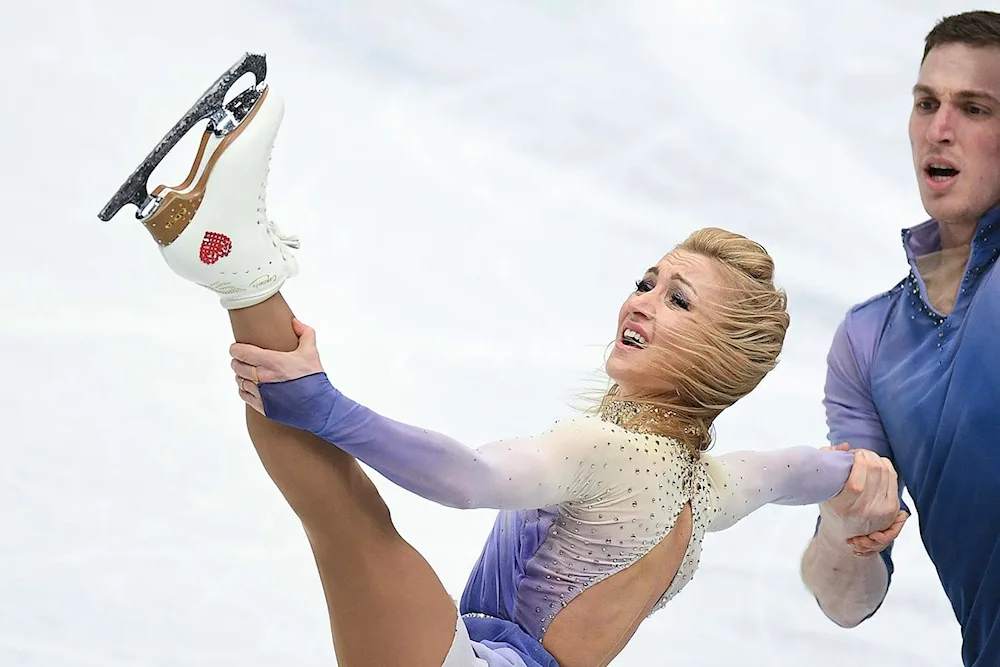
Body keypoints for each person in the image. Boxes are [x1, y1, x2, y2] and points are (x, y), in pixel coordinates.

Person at [113, 64, 897, 667]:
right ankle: (226, 257)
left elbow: (469, 478)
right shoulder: (715, 487)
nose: (643, 301)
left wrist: (330, 409)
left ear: (720, 359)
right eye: (647, 282)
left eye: (679, 301)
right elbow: (798, 471)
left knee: (351, 522)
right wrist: (859, 475)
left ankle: (235, 263)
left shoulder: (612, 454)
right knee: (347, 516)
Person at [799, 10, 1000, 667]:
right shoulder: (869, 343)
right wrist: (845, 523)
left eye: (974, 108)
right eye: (926, 103)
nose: (939, 130)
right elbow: (848, 601)